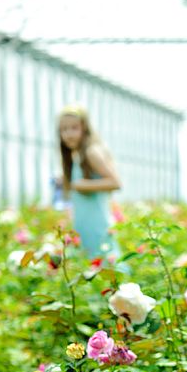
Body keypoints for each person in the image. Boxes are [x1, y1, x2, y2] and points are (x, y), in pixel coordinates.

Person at [57, 105, 123, 261]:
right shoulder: (77, 156)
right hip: (85, 227)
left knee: (106, 268)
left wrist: (83, 185)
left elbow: (115, 182)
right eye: (64, 129)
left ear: (85, 128)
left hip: (97, 227)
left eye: (74, 128)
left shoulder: (91, 152)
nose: (68, 134)